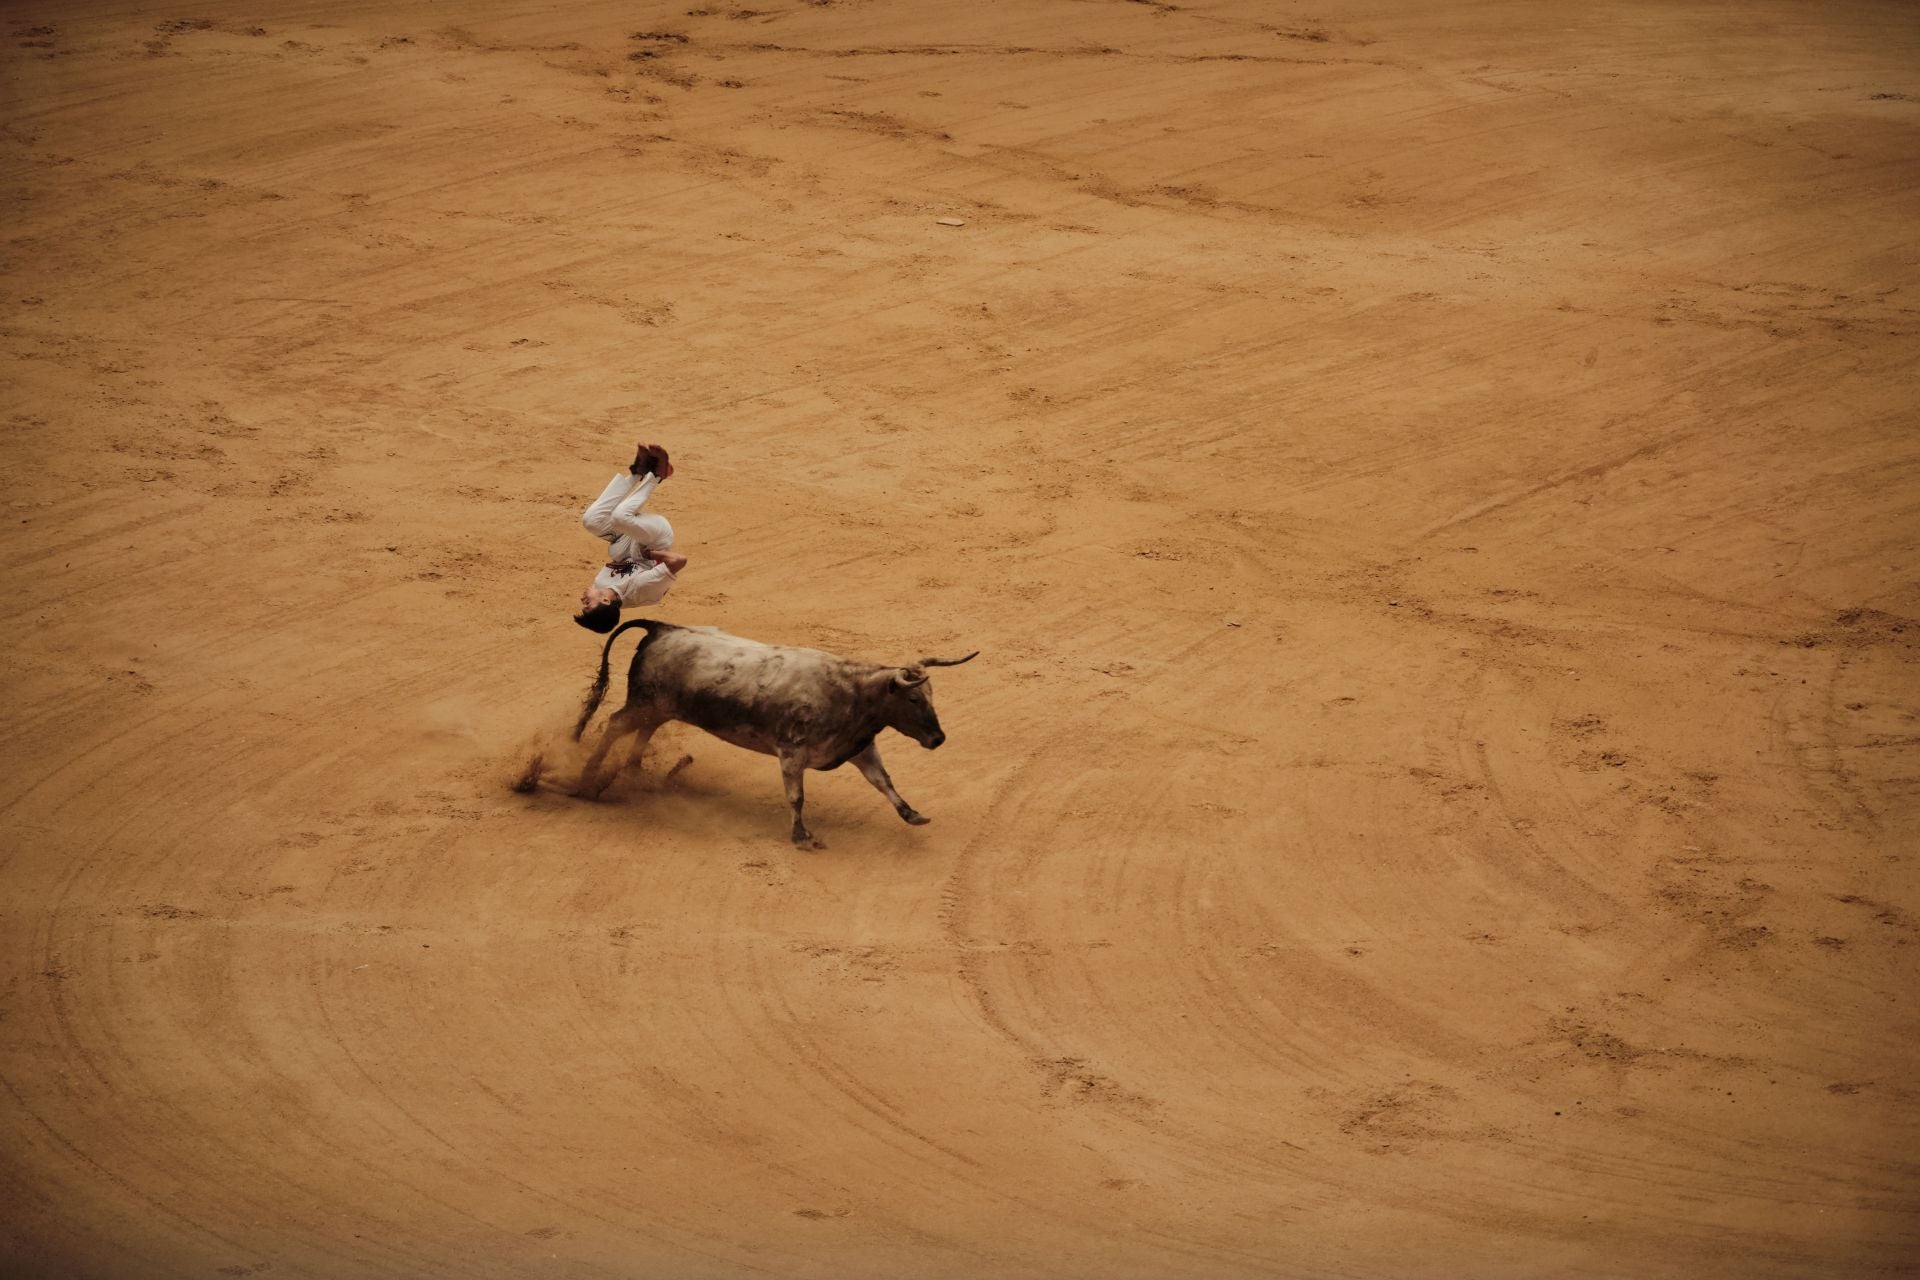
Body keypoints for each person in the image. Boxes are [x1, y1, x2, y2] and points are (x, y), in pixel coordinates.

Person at [574, 442, 689, 633]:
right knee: (620, 517)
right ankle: (658, 475)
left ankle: (637, 473)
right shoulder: (641, 590)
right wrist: (651, 553)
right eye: (587, 604)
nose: (583, 600)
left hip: (627, 545)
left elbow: (624, 562)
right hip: (656, 539)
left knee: (591, 520)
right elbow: (679, 561)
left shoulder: (601, 586)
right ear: (604, 600)